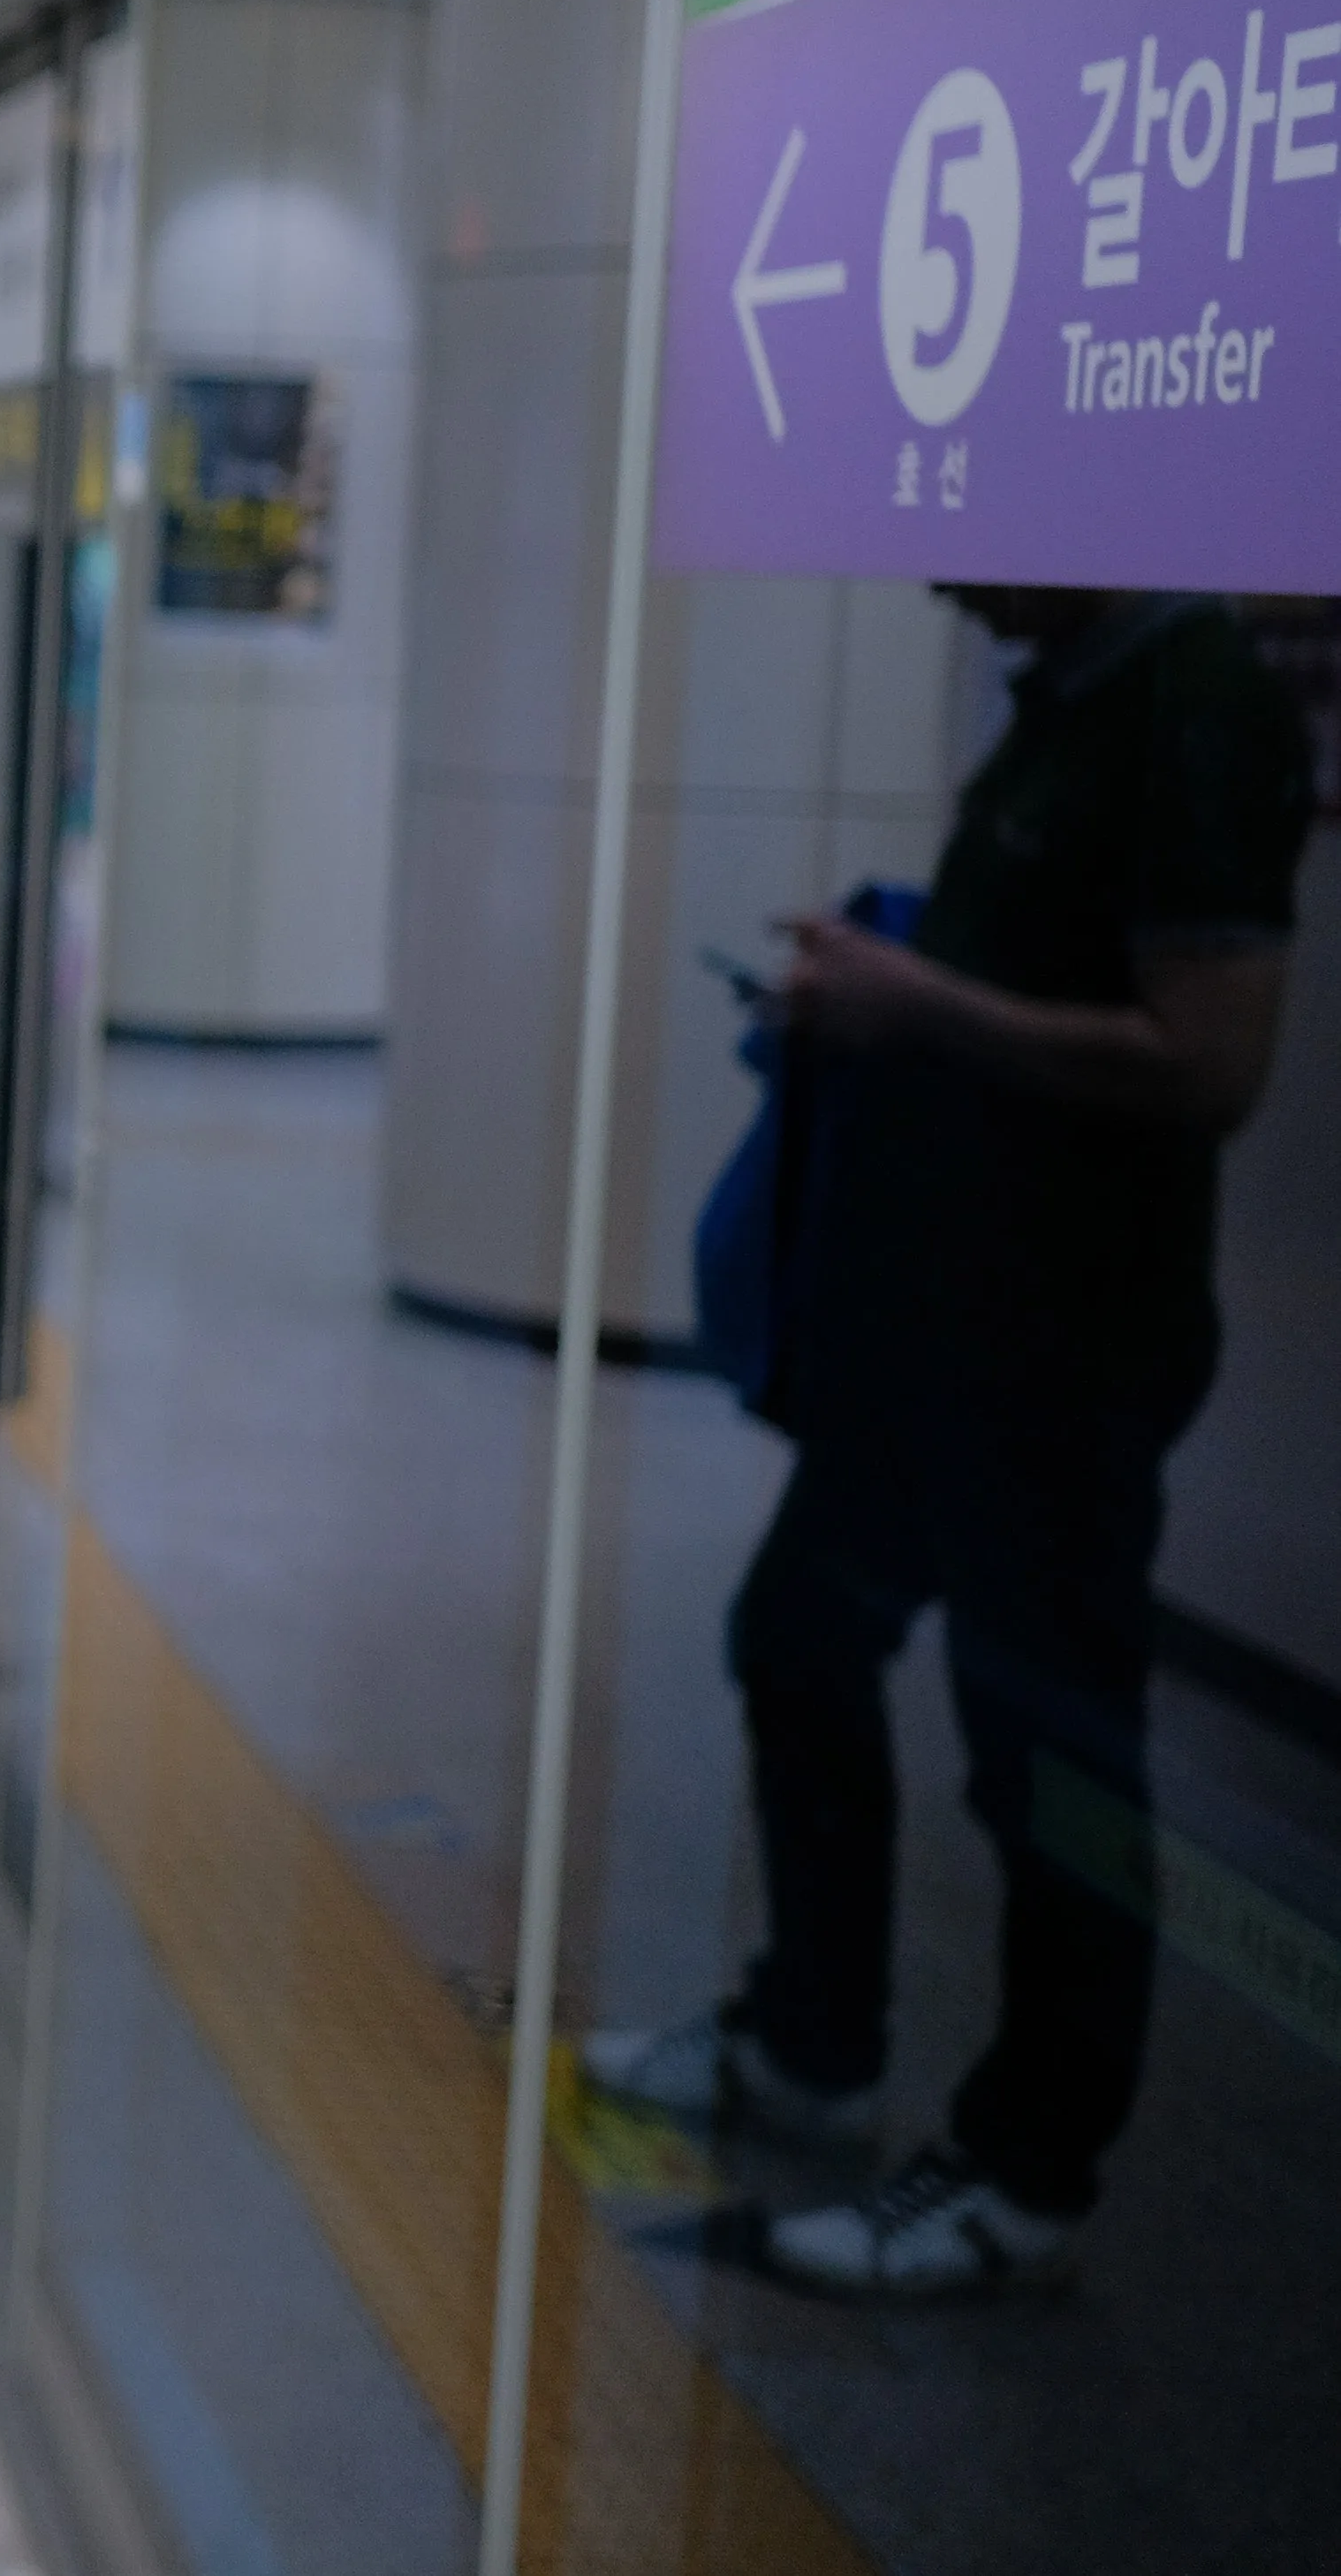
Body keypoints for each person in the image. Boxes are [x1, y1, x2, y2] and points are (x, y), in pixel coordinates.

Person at [587, 587, 1304, 2299]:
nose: (931, 569)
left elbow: (1208, 1058)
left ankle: (1023, 2163)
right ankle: (813, 2038)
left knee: (1043, 1758)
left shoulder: (1191, 701)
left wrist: (911, 1005)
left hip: (1063, 1350)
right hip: (937, 1339)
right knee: (793, 1636)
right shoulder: (1056, 693)